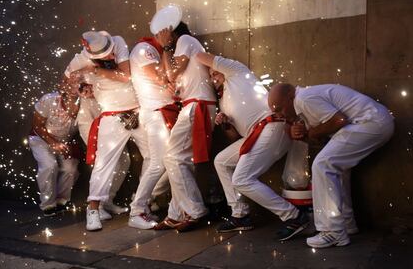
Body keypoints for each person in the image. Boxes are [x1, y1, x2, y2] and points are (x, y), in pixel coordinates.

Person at [196, 52, 309, 240]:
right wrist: (225, 124)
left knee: (242, 179)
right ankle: (240, 214)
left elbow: (200, 55)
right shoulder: (223, 100)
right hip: (255, 135)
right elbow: (234, 137)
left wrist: (183, 44)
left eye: (214, 72)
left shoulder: (237, 72)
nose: (212, 77)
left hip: (272, 126)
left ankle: (295, 216)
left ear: (222, 67)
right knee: (221, 161)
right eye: (210, 76)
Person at [268, 83, 394, 248]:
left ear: (290, 96)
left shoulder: (304, 99)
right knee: (336, 168)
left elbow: (339, 120)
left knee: (322, 165)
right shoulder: (303, 103)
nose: (279, 115)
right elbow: (323, 138)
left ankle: (332, 231)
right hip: (376, 121)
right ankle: (346, 224)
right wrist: (305, 135)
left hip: (369, 122)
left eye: (279, 108)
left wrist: (311, 132)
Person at [64, 30, 149, 231]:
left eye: (111, 52)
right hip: (111, 115)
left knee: (156, 158)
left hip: (138, 111)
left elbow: (125, 74)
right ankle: (93, 210)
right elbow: (66, 81)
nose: (112, 56)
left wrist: (95, 71)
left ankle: (141, 205)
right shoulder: (80, 59)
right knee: (103, 164)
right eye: (106, 56)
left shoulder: (118, 40)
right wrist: (80, 89)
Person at [153, 22, 217, 232]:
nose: (160, 37)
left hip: (197, 106)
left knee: (172, 158)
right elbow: (168, 76)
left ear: (172, 32)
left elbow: (171, 73)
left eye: (163, 33)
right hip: (195, 104)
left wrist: (165, 47)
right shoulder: (184, 45)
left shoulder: (185, 40)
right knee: (179, 161)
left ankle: (195, 210)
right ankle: (175, 213)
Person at [127, 37, 176, 229]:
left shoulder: (150, 49)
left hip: (159, 113)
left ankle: (143, 201)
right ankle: (136, 210)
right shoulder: (143, 49)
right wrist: (166, 48)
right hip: (156, 114)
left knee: (168, 162)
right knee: (158, 164)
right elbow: (163, 77)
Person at [76, 83, 130, 220]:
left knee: (124, 161)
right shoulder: (87, 67)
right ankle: (96, 206)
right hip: (90, 123)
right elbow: (72, 83)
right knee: (104, 163)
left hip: (111, 123)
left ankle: (107, 201)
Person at [29, 83, 80, 216]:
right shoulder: (49, 100)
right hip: (40, 139)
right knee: (49, 165)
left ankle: (61, 201)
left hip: (66, 141)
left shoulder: (84, 106)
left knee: (71, 169)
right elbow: (37, 126)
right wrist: (53, 143)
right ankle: (48, 204)